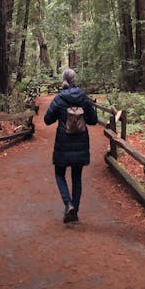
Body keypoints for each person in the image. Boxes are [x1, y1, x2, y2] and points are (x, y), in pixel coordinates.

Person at [44, 68, 98, 223]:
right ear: (75, 80)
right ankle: (75, 209)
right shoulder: (83, 97)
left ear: (64, 80)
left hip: (63, 142)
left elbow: (47, 119)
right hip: (81, 142)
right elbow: (93, 120)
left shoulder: (59, 98)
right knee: (77, 177)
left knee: (59, 174)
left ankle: (68, 204)